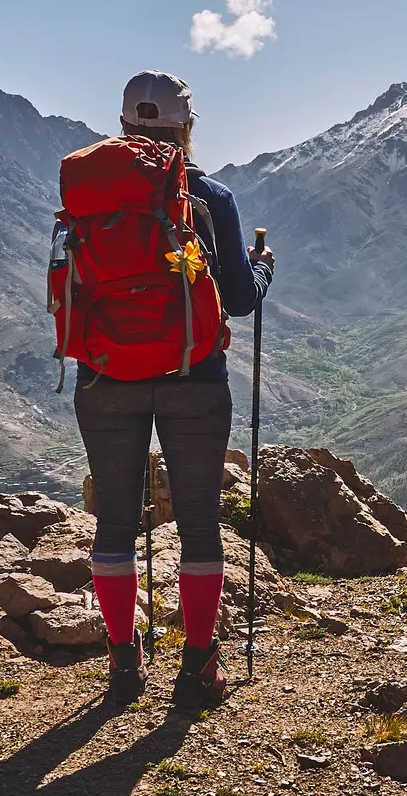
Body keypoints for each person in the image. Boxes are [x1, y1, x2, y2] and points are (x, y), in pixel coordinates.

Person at [75, 71, 272, 708]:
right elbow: (239, 300)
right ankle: (197, 667)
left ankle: (123, 662)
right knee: (198, 524)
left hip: (106, 375)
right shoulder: (210, 197)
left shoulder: (91, 196)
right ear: (187, 127)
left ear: (124, 126)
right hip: (193, 379)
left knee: (114, 523)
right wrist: (262, 270)